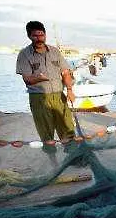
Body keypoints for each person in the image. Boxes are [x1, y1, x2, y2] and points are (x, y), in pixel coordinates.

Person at [15, 20, 76, 166]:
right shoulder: (24, 54)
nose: (40, 38)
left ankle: (74, 159)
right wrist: (39, 78)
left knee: (67, 127)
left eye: (42, 35)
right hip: (39, 98)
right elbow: (27, 79)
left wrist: (69, 90)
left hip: (59, 96)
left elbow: (65, 72)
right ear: (29, 36)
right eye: (35, 35)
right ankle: (53, 164)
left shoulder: (55, 51)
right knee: (46, 131)